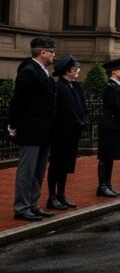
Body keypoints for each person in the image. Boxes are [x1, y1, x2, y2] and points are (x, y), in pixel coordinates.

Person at [9, 37, 57, 221]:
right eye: (51, 51)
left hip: (44, 130)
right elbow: (17, 101)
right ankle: (22, 207)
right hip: (30, 130)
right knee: (27, 171)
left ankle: (33, 203)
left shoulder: (43, 71)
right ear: (42, 52)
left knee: (38, 170)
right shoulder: (29, 71)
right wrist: (13, 125)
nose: (54, 54)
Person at [47, 54, 88, 211]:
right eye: (74, 68)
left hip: (73, 133)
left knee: (65, 166)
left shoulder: (75, 86)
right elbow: (64, 111)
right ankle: (52, 196)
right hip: (61, 133)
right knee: (57, 165)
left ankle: (62, 194)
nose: (77, 70)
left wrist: (84, 120)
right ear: (67, 71)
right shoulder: (60, 87)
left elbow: (81, 106)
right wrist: (76, 121)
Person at [97, 57, 120, 198]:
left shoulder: (119, 86)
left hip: (115, 126)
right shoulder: (110, 88)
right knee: (105, 157)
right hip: (109, 127)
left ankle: (108, 185)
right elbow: (117, 108)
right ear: (113, 72)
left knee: (110, 157)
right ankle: (102, 186)